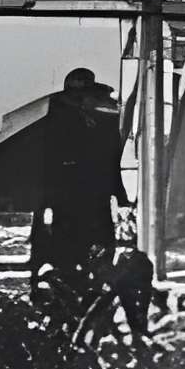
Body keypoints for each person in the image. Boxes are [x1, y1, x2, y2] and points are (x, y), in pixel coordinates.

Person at [31, 67, 126, 292]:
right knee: (72, 242)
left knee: (85, 241)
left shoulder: (101, 117)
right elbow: (48, 157)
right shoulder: (62, 116)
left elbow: (112, 156)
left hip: (86, 191)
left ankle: (84, 280)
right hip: (72, 192)